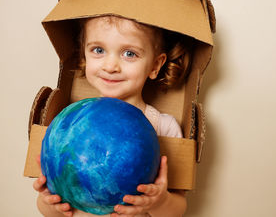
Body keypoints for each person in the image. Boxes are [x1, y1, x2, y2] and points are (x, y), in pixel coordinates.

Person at [33, 15, 193, 217]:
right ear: (84, 55)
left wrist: (159, 202)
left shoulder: (163, 126)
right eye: (98, 50)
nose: (110, 66)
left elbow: (178, 210)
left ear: (155, 65)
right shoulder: (69, 126)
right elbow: (52, 211)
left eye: (129, 53)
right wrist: (49, 202)